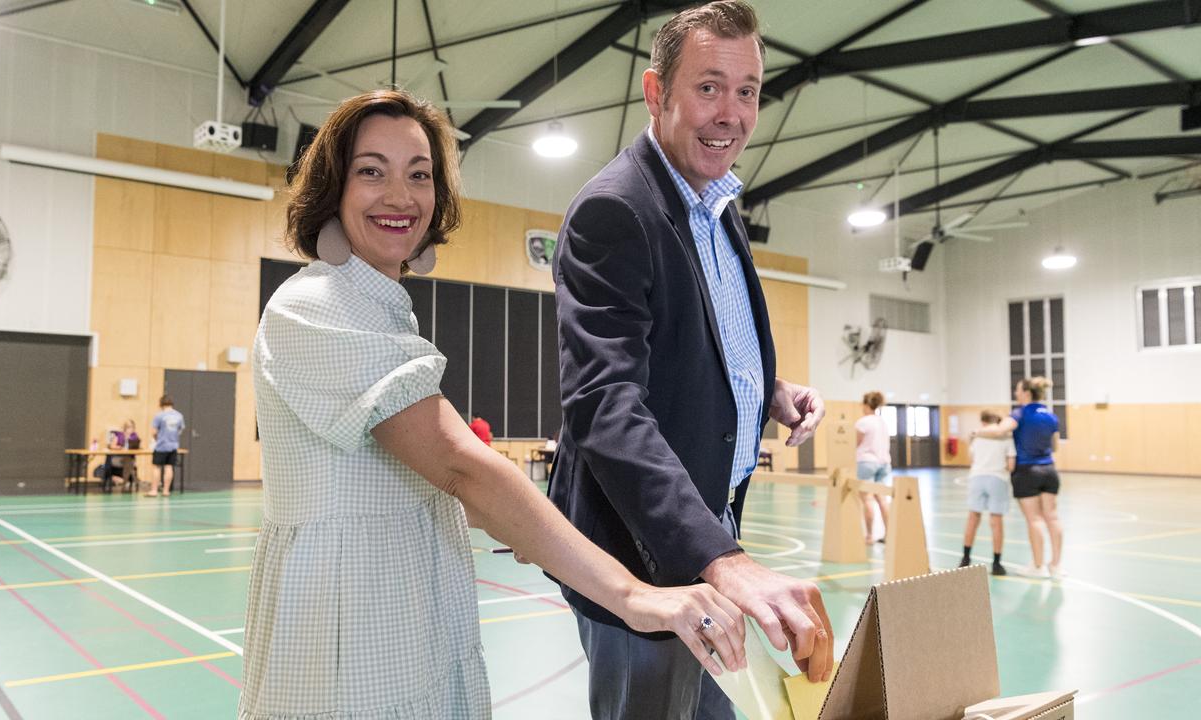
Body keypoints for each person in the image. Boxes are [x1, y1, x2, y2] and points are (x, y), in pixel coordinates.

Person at [240, 89, 750, 720]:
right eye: (371, 171)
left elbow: (417, 481)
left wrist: (528, 524)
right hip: (347, 626)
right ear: (331, 188)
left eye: (419, 174)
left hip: (406, 608)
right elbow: (462, 467)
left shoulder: (380, 308)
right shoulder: (316, 306)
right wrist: (634, 596)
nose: (401, 196)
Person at [549, 3, 833, 717]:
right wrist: (723, 559)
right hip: (636, 557)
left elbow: (696, 336)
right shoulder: (615, 211)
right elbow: (605, 404)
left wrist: (766, 389)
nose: (730, 113)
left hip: (702, 538)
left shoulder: (715, 203)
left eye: (748, 91)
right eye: (709, 87)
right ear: (656, 93)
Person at [979, 377, 1063, 578]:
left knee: (1034, 519)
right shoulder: (1051, 417)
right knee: (1052, 517)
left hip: (1027, 472)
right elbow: (1055, 447)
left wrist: (978, 432)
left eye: (1017, 390)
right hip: (1050, 471)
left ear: (1026, 393)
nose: (1016, 394)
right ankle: (1056, 566)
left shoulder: (1019, 414)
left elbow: (1000, 429)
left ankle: (1037, 565)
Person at [959, 410, 1015, 576]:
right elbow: (1011, 465)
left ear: (982, 421)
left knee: (973, 518)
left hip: (977, 478)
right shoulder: (1007, 437)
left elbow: (972, 460)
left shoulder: (977, 437)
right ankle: (997, 564)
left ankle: (965, 558)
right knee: (996, 521)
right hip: (998, 478)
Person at [855, 391, 891, 544]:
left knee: (867, 498)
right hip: (884, 463)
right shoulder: (882, 422)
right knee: (881, 498)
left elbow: (855, 442)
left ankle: (869, 535)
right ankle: (889, 534)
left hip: (867, 462)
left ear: (866, 405)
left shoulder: (863, 422)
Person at [148, 395, 185, 496]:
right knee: (169, 467)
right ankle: (166, 490)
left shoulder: (160, 416)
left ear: (161, 404)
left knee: (157, 467)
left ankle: (154, 490)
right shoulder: (179, 415)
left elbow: (154, 432)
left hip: (161, 445)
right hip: (173, 445)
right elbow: (180, 430)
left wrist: (156, 438)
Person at [100, 419, 140, 492]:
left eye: (133, 427)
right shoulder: (119, 435)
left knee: (129, 460)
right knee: (129, 462)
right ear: (125, 428)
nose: (131, 429)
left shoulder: (135, 437)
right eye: (129, 427)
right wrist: (120, 448)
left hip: (129, 458)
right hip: (117, 458)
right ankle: (128, 481)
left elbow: (137, 447)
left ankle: (124, 482)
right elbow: (112, 446)